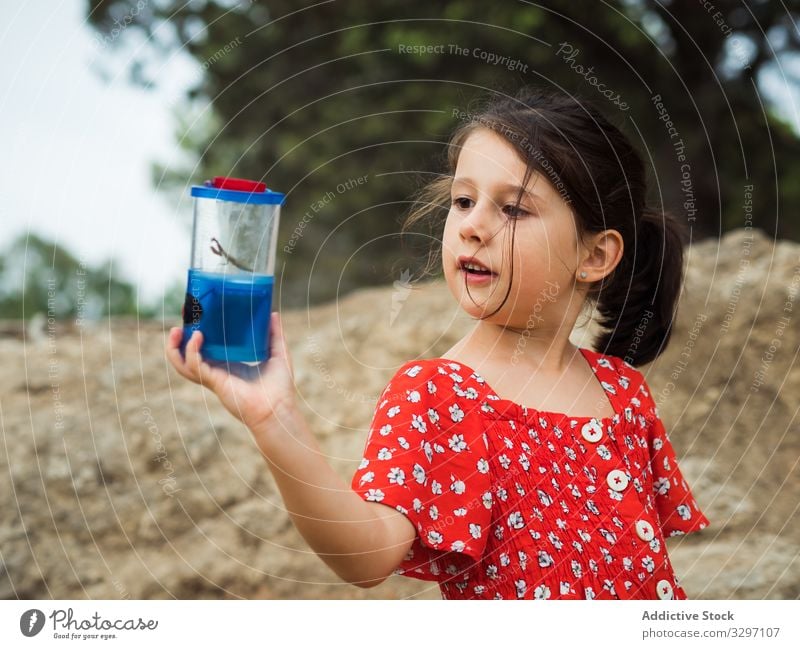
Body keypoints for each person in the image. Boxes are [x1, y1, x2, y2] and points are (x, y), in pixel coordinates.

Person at [166, 85, 710, 600]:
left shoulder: (623, 392)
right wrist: (274, 420)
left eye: (513, 208)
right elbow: (368, 555)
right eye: (463, 200)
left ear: (595, 256)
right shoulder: (439, 396)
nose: (473, 226)